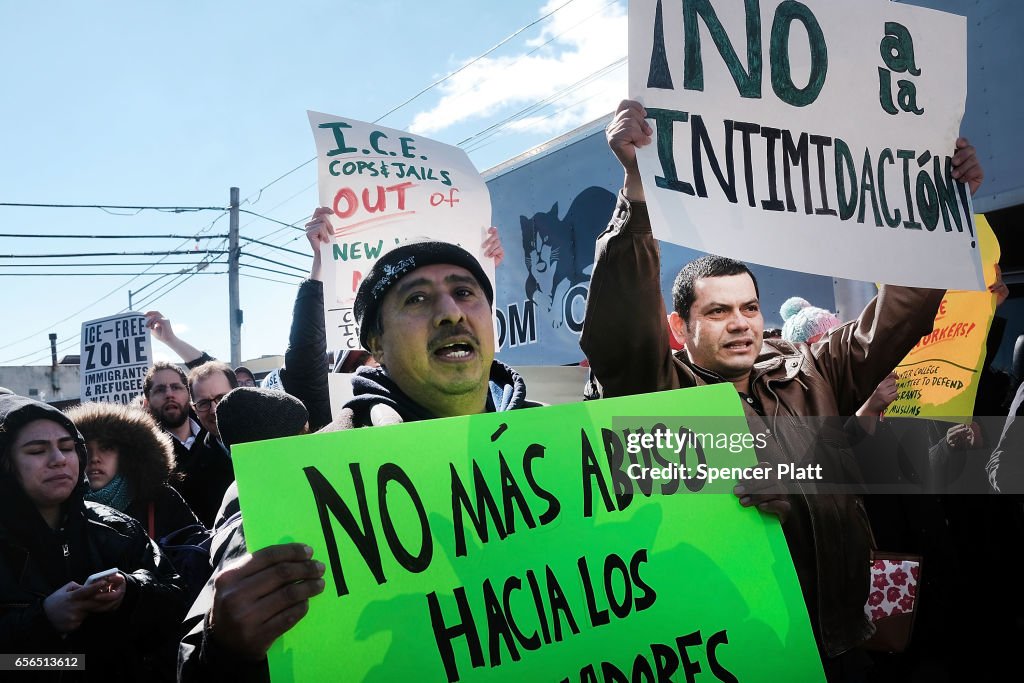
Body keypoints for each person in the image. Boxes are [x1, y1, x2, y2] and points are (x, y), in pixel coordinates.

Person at [580, 99, 984, 680]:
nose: (741, 322)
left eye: (749, 306)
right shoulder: (659, 394)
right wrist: (637, 193)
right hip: (744, 652)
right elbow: (617, 332)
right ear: (679, 328)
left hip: (846, 640)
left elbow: (900, 314)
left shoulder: (811, 370)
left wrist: (941, 205)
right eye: (718, 312)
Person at [179, 237, 536, 681]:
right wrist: (226, 649)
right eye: (418, 298)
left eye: (465, 292)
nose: (451, 312)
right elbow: (196, 664)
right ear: (377, 346)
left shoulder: (568, 449)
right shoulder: (299, 483)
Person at [0, 393, 185, 678]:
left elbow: (176, 612)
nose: (59, 459)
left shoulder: (119, 528)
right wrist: (43, 622)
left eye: (68, 447)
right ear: (6, 463)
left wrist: (132, 590)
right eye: (37, 451)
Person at [64, 401, 200, 540]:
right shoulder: (61, 509)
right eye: (85, 449)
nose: (94, 458)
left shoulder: (161, 499)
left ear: (125, 455)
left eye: (106, 448)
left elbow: (196, 550)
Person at [179, 361, 237, 527]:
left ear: (238, 393)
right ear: (194, 409)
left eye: (221, 398)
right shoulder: (191, 474)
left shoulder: (274, 438)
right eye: (204, 403)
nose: (214, 409)